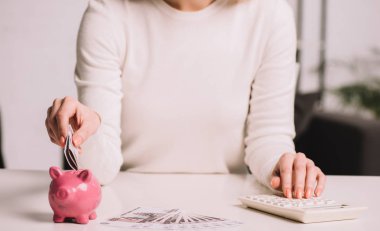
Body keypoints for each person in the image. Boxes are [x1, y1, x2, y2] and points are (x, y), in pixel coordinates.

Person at [45, 0, 326, 199]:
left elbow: (268, 137)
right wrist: (88, 130)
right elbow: (100, 170)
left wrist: (283, 167)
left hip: (234, 213)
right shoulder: (107, 15)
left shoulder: (271, 15)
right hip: (126, 213)